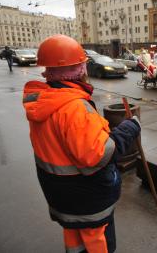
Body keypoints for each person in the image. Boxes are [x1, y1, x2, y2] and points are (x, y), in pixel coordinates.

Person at [22, 34, 140, 253]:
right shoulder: (74, 108)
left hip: (62, 198)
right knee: (98, 243)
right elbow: (100, 154)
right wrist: (130, 128)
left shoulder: (45, 102)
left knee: (75, 241)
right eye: (83, 65)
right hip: (87, 199)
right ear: (79, 70)